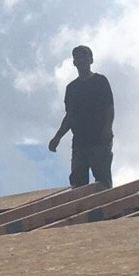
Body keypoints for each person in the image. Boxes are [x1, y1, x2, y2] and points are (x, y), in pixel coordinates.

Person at [48, 45, 114, 188]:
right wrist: (57, 137)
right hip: (80, 142)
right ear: (74, 62)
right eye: (77, 57)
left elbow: (109, 106)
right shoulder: (72, 88)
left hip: (99, 139)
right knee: (78, 183)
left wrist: (108, 127)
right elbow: (70, 116)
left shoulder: (100, 81)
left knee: (102, 180)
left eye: (84, 56)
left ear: (91, 59)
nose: (81, 60)